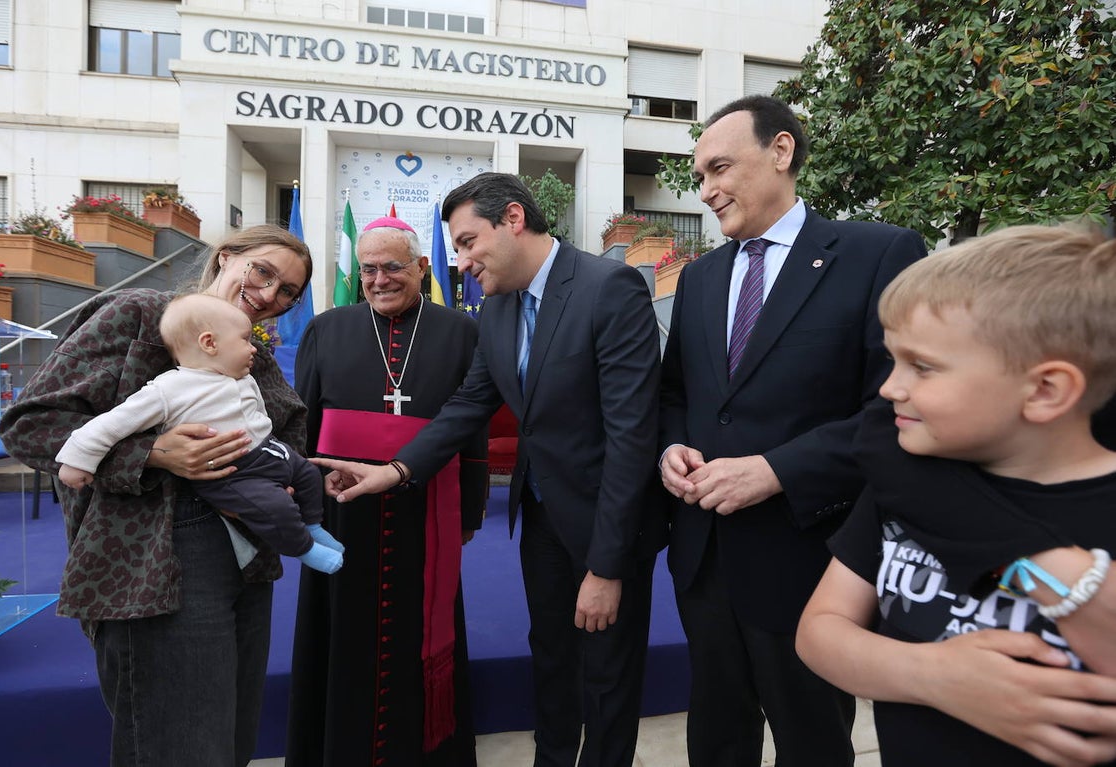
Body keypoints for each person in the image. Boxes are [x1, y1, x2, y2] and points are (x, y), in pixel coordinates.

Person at [313, 173, 668, 767]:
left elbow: (631, 437)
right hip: (542, 519)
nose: (462, 260)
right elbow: (468, 405)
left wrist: (607, 566)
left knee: (607, 673)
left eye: (468, 241)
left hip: (608, 523)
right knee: (551, 659)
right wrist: (395, 471)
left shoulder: (609, 287)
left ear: (513, 220)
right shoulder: (499, 306)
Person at [658, 94, 927, 767]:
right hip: (706, 560)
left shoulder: (878, 253)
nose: (706, 191)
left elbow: (899, 410)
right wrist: (671, 447)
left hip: (812, 562)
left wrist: (776, 470)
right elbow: (677, 393)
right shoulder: (699, 278)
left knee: (812, 743)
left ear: (781, 151)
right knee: (716, 740)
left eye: (720, 168)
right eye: (699, 177)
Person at [797, 225, 1116, 767]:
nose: (889, 388)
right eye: (894, 360)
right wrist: (931, 675)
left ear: (1045, 390)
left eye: (922, 367)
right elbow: (819, 632)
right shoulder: (909, 482)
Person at [0, 224, 312, 767]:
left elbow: (283, 437)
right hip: (153, 563)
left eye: (288, 291)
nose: (269, 295)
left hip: (247, 561)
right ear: (225, 257)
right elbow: (31, 425)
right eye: (263, 272)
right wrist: (153, 453)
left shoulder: (253, 356)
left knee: (230, 743)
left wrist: (287, 475)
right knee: (180, 746)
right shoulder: (139, 314)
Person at [285, 216, 486, 766]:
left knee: (420, 625)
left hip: (428, 507)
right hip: (341, 506)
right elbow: (303, 425)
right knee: (341, 630)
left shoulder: (460, 331)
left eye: (392, 267)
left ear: (421, 267)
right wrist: (306, 499)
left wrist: (470, 509)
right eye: (368, 269)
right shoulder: (326, 328)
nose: (378, 280)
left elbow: (471, 429)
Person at [55, 293, 342, 574]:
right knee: (276, 507)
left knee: (308, 475)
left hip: (269, 451)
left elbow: (260, 414)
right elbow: (112, 424)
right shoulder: (168, 389)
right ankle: (305, 549)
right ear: (209, 343)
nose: (253, 348)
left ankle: (313, 526)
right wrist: (78, 460)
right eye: (245, 340)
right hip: (234, 474)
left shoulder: (242, 377)